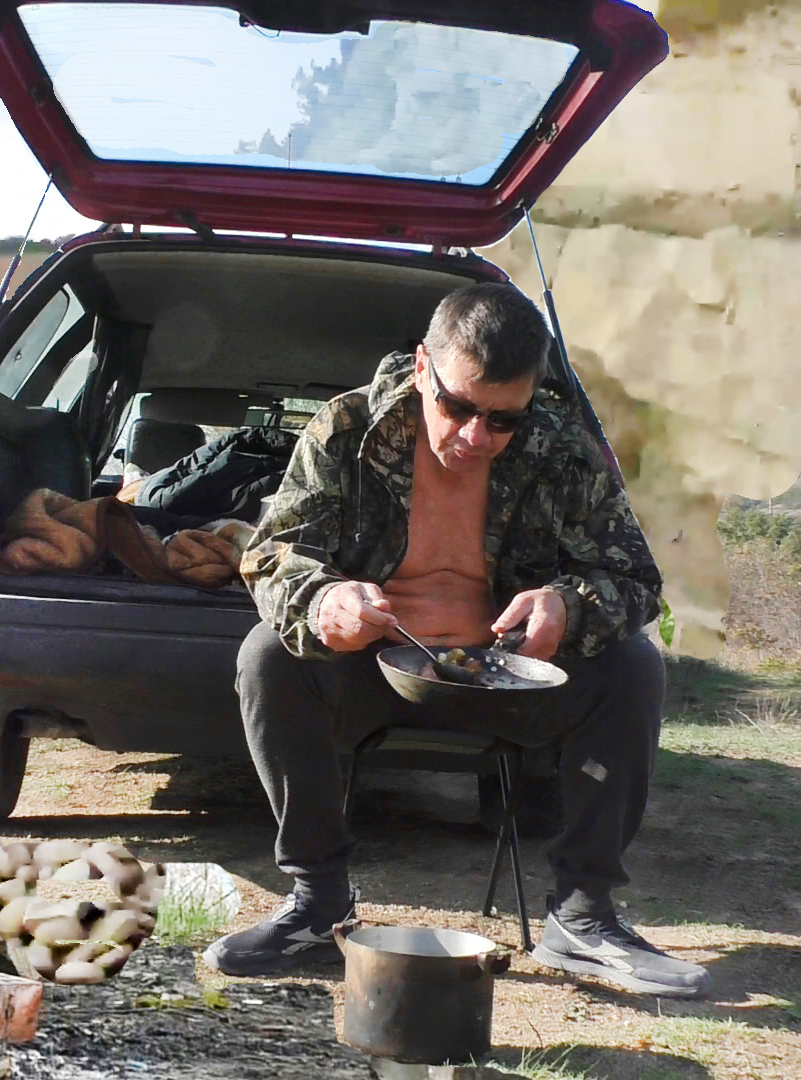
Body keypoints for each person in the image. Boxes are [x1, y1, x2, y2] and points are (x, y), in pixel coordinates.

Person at [205, 282, 710, 998]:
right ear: (422, 368)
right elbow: (271, 553)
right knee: (266, 655)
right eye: (458, 408)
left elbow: (633, 580)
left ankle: (584, 917)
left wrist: (568, 605)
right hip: (373, 665)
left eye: (503, 420)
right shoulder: (346, 428)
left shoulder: (562, 446)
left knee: (633, 665)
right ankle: (319, 906)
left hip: (507, 676)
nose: (477, 437)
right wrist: (323, 601)